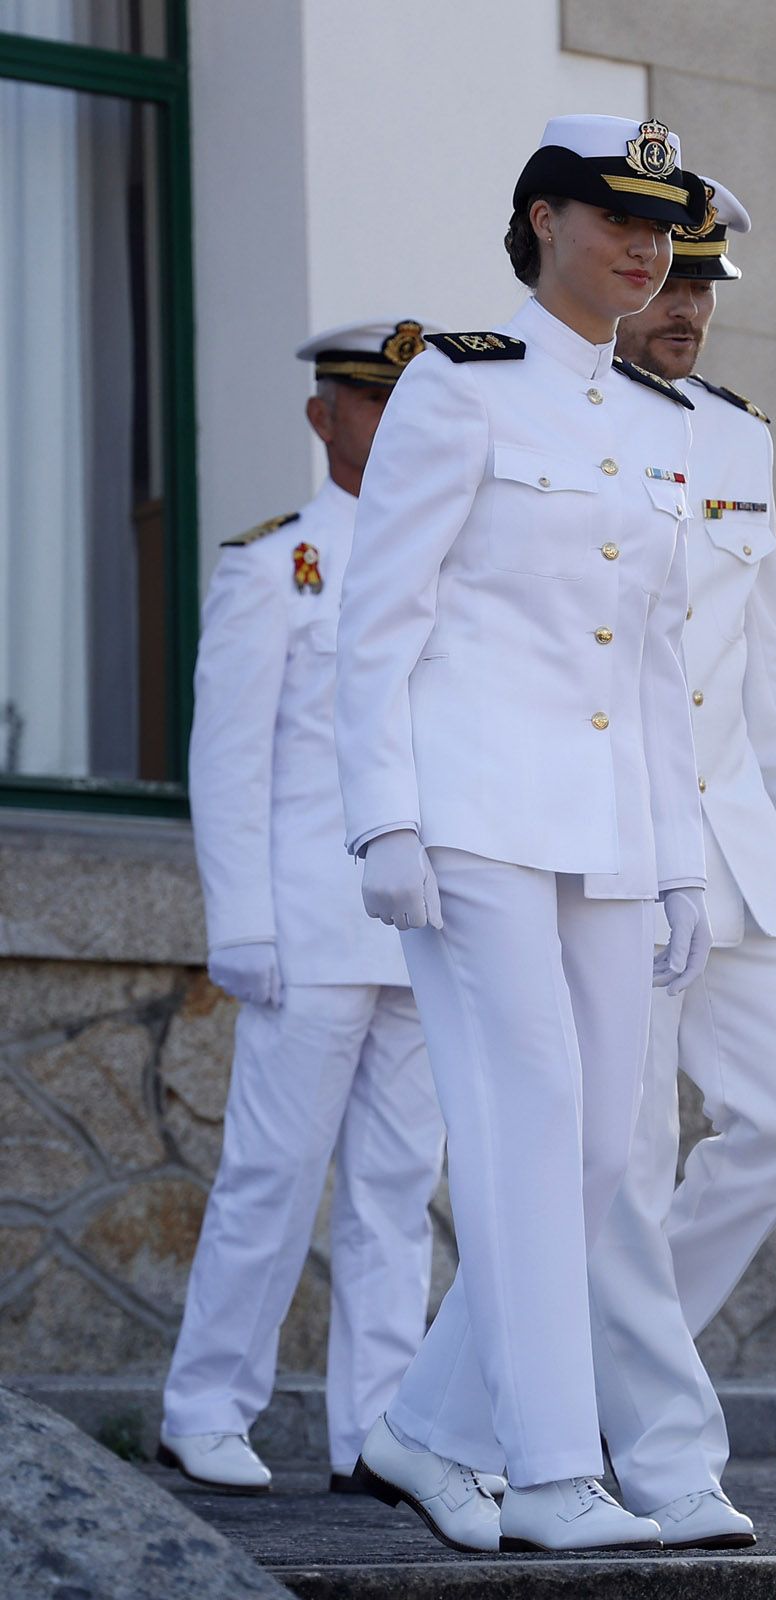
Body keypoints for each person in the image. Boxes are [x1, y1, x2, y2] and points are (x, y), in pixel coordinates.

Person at [335, 116, 755, 1555]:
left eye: (663, 225)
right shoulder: (456, 392)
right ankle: (556, 1474)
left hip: (611, 833)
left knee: (588, 1162)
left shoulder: (660, 426)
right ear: (539, 222)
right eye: (612, 217)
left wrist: (682, 855)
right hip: (473, 819)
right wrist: (382, 814)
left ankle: (423, 1431)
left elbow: (647, 657)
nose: (645, 247)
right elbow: (376, 618)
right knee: (522, 1130)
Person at [160, 321, 447, 1495]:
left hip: (419, 925)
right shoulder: (275, 565)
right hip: (308, 930)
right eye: (371, 404)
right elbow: (227, 760)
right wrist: (240, 922)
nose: (391, 429)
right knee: (271, 1178)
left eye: (407, 408)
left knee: (396, 1191)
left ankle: (375, 1427)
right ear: (322, 414)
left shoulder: (442, 562)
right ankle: (204, 1405)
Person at [603, 178, 776, 1445]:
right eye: (666, 278)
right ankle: (643, 1419)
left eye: (703, 284)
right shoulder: (554, 420)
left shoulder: (737, 439)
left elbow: (768, 667)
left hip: (739, 854)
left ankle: (569, 1375)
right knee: (627, 1154)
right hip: (615, 844)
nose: (688, 306)